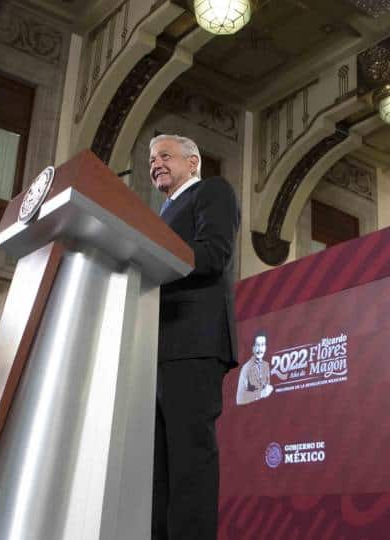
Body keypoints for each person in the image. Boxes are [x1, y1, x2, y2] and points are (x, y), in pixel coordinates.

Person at [149, 134, 239, 540]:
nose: (156, 163)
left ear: (193, 162)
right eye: (152, 159)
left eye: (165, 155)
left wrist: (152, 257)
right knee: (158, 469)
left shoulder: (211, 191)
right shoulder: (159, 215)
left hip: (193, 341)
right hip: (154, 346)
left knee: (189, 462)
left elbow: (214, 253)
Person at [236, 331, 273, 405]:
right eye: (257, 345)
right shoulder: (246, 368)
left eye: (262, 345)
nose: (260, 349)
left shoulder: (266, 365)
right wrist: (260, 394)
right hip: (251, 410)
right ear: (253, 348)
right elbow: (239, 399)